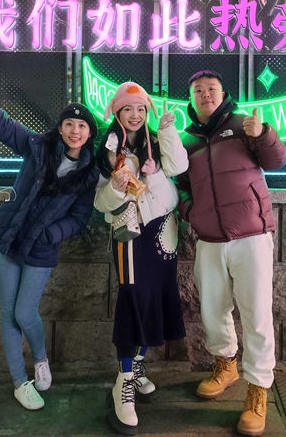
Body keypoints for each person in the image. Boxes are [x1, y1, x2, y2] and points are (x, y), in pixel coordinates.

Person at [0, 66, 99, 411]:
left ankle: (40, 359)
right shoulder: (37, 147)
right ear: (61, 128)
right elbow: (1, 122)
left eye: (82, 126)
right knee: (9, 312)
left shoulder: (89, 174)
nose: (75, 130)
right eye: (69, 124)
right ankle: (19, 381)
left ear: (89, 134)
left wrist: (50, 233)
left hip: (41, 248)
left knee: (26, 313)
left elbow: (80, 218)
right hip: (8, 240)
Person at [176, 70, 286, 437]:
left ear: (222, 93)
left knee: (256, 315)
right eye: (198, 90)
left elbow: (277, 160)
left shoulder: (243, 125)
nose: (205, 94)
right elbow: (180, 184)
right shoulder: (186, 140)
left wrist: (264, 133)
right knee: (212, 310)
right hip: (209, 239)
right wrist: (191, 211)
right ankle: (225, 365)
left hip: (251, 236)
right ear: (191, 98)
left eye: (211, 88)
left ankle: (258, 389)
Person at [94, 82, 188, 436]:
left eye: (140, 109)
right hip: (130, 234)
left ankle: (135, 366)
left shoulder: (157, 143)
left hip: (164, 231)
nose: (135, 115)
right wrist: (116, 188)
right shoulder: (108, 149)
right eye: (127, 109)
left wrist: (167, 132)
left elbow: (178, 166)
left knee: (157, 299)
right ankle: (124, 382)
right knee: (133, 298)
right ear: (117, 113)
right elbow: (99, 202)